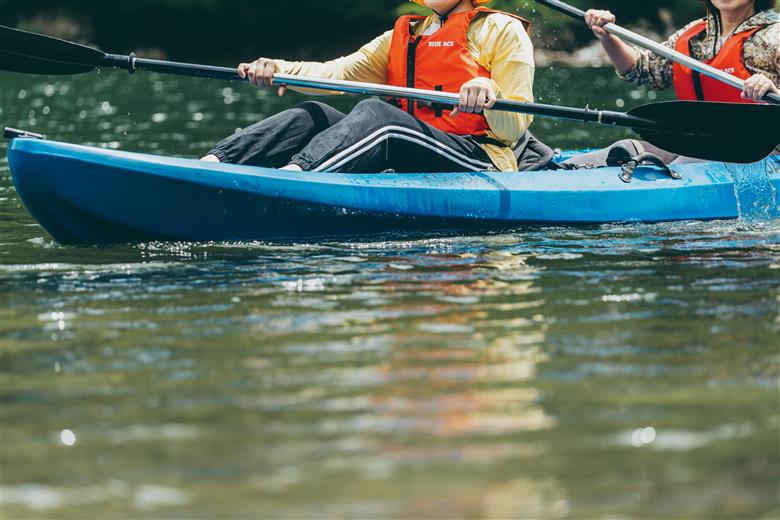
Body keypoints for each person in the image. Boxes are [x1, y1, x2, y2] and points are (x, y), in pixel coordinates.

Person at [202, 0, 537, 173]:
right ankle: (212, 164)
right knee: (312, 114)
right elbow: (337, 73)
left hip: (479, 155)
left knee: (379, 115)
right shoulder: (404, 35)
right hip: (415, 144)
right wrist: (280, 69)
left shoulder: (501, 29)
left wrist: (490, 92)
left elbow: (514, 127)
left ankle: (295, 178)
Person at [565, 0, 779, 167]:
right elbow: (640, 70)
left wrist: (773, 89)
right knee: (623, 150)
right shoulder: (693, 35)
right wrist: (607, 37)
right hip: (693, 143)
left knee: (687, 164)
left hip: (758, 150)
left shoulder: (774, 35)